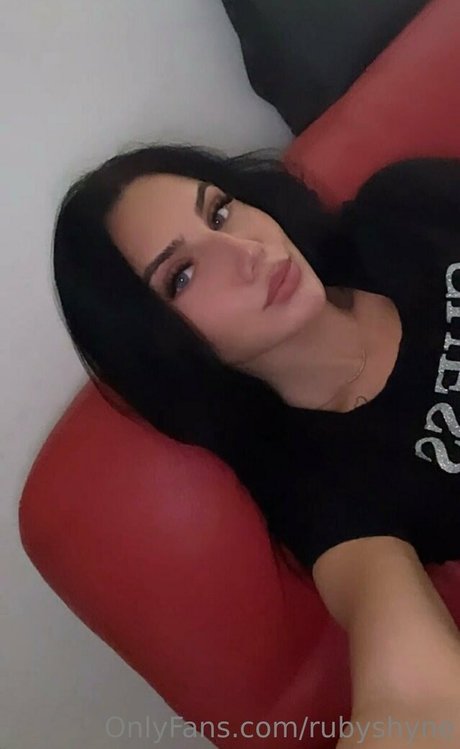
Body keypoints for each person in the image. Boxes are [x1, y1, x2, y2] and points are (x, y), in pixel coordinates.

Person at [53, 143, 460, 746]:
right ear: (160, 343)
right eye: (181, 276)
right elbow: (413, 694)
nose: (246, 252)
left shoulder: (401, 210)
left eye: (219, 212)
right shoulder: (323, 486)